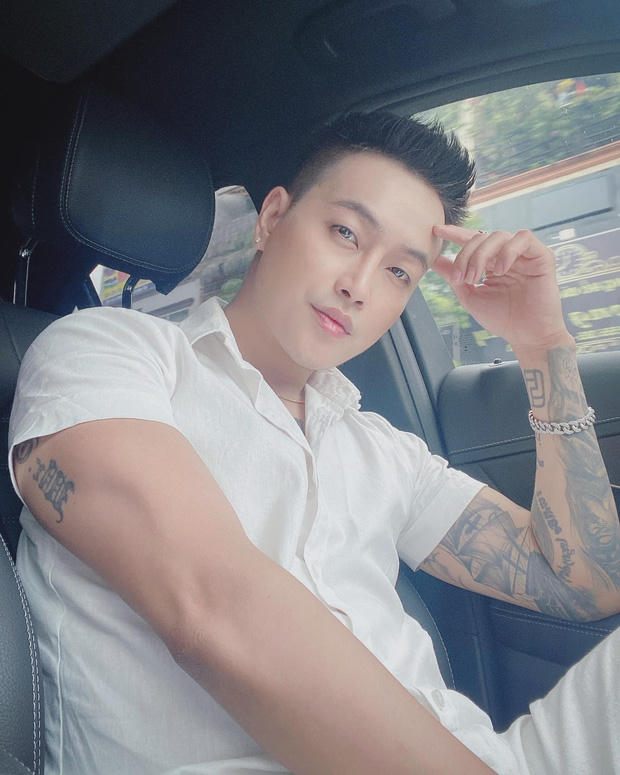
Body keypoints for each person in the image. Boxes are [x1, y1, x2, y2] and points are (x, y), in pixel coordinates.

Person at [8, 112, 620, 775]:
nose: (359, 286)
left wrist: (543, 344)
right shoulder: (111, 354)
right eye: (346, 233)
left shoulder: (384, 450)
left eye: (399, 272)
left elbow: (588, 583)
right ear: (272, 218)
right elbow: (211, 602)